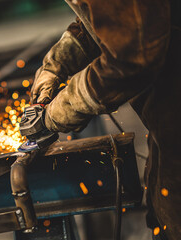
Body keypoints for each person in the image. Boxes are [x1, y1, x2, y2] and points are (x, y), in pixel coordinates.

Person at [30, 0, 181, 239]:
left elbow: (131, 56)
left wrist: (66, 105)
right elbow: (117, 19)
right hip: (168, 122)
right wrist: (60, 60)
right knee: (161, 207)